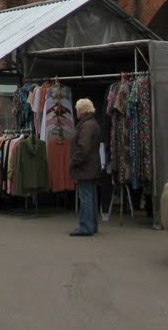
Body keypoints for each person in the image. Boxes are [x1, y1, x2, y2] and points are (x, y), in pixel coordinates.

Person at [68, 97, 102, 237]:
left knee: (86, 197)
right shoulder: (91, 123)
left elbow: (83, 148)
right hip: (91, 166)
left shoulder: (86, 125)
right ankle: (91, 225)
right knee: (90, 196)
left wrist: (73, 161)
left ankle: (85, 226)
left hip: (85, 167)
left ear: (81, 110)